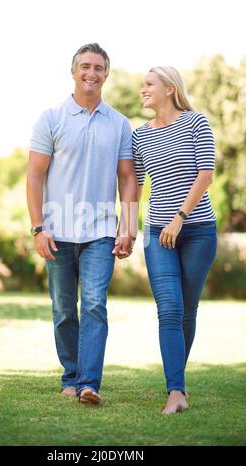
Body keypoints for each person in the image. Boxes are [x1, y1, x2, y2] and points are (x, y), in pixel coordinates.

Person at [26, 43, 137, 405]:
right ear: (73, 71)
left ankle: (89, 383)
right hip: (56, 233)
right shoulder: (51, 118)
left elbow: (127, 179)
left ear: (106, 74)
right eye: (86, 66)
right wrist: (38, 227)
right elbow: (35, 176)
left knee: (93, 305)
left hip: (101, 232)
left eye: (99, 68)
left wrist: (128, 226)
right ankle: (71, 376)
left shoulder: (120, 123)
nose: (92, 73)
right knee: (62, 310)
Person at [132, 66, 217, 414]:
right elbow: (134, 185)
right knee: (169, 307)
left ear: (169, 88)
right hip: (157, 233)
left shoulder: (197, 123)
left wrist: (179, 219)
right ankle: (176, 391)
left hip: (197, 230)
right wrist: (128, 227)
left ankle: (177, 387)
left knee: (187, 309)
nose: (142, 90)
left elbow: (206, 174)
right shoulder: (140, 135)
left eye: (149, 84)